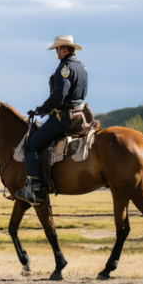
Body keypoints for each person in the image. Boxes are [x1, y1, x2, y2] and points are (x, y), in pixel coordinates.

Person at [15, 35, 88, 206]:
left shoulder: (65, 67)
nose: (56, 52)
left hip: (64, 118)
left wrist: (42, 110)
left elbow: (58, 97)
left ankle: (36, 189)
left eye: (57, 49)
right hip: (80, 115)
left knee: (32, 145)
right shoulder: (82, 67)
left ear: (64, 49)